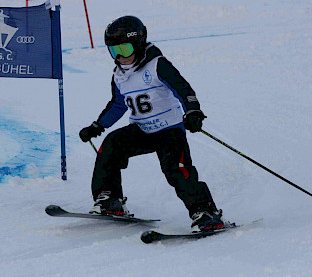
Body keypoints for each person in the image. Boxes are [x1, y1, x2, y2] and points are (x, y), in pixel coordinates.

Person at [79, 15, 226, 232]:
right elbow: (118, 105)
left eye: (125, 49)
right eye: (114, 51)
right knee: (112, 145)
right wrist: (97, 126)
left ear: (138, 44)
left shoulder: (158, 65)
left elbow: (183, 89)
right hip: (142, 130)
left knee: (177, 170)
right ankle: (109, 199)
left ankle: (205, 212)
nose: (120, 56)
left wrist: (193, 111)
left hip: (169, 131)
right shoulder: (119, 74)